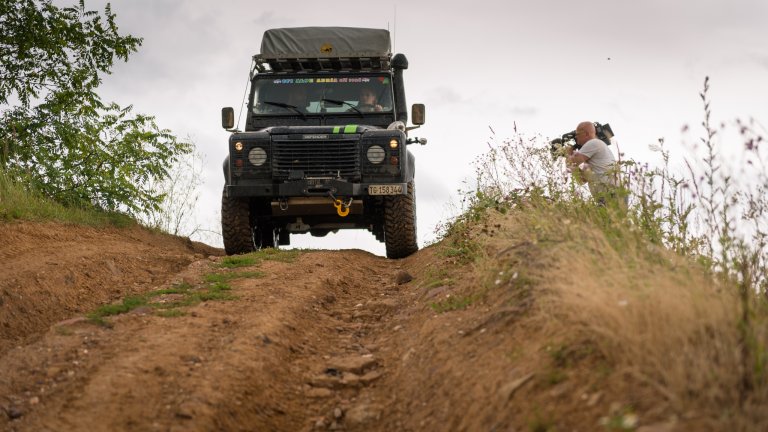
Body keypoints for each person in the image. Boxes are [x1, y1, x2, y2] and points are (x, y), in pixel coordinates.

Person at [566, 121, 624, 207]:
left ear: (586, 134)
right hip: (611, 196)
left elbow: (573, 161)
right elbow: (582, 180)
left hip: (611, 195)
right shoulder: (592, 154)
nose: (576, 138)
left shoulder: (593, 143)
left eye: (577, 134)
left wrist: (567, 153)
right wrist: (570, 158)